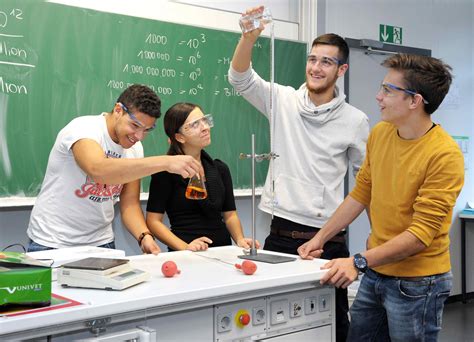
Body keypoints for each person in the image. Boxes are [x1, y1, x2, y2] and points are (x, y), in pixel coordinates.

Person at [298, 53, 464, 341]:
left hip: (418, 283)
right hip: (377, 271)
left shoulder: (444, 155)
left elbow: (420, 235)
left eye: (388, 90)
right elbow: (361, 193)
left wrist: (358, 262)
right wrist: (320, 237)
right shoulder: (381, 133)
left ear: (415, 101)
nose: (378, 96)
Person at [228, 6, 369, 341]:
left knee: (332, 326)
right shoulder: (283, 100)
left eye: (326, 62)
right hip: (279, 235)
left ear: (341, 70)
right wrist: (249, 37)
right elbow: (239, 78)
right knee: (278, 329)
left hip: (329, 239)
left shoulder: (355, 120)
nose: (316, 68)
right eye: (312, 59)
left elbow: (367, 184)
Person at [27, 85, 203, 254]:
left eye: (147, 130)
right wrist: (165, 162)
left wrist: (144, 236)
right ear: (118, 110)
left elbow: (130, 203)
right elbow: (98, 170)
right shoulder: (84, 129)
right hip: (52, 242)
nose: (139, 136)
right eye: (135, 126)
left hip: (101, 243)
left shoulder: (135, 149)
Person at [146, 102, 259, 252]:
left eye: (205, 120)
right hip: (186, 253)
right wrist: (185, 247)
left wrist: (239, 240)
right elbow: (153, 221)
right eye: (195, 124)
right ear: (179, 137)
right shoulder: (165, 173)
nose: (205, 127)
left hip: (223, 251)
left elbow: (230, 214)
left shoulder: (220, 169)